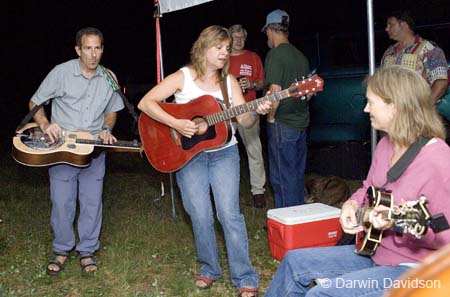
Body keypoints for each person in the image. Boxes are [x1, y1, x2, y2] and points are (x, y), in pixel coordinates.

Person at [265, 65, 450, 297]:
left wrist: (398, 223)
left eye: (371, 102)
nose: (365, 109)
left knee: (321, 294)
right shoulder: (386, 144)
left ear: (396, 105)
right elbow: (367, 189)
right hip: (375, 252)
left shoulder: (437, 159)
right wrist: (352, 204)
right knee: (294, 262)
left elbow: (445, 237)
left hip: (415, 271)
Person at [137, 25, 272, 297]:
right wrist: (176, 122)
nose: (225, 52)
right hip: (188, 156)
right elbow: (146, 103)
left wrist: (256, 110)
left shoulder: (229, 82)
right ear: (204, 48)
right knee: (199, 214)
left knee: (229, 214)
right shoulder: (183, 77)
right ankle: (210, 269)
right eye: (219, 47)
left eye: (226, 48)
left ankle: (244, 276)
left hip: (224, 153)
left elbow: (243, 119)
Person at [29, 27, 124, 275]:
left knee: (92, 202)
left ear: (102, 49)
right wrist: (46, 125)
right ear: (78, 50)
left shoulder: (109, 77)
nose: (93, 54)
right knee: (62, 202)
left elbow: (112, 111)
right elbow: (35, 102)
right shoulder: (61, 73)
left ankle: (87, 251)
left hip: (94, 150)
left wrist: (106, 128)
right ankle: (61, 250)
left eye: (97, 48)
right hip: (62, 149)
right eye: (87, 48)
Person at [262, 9, 311, 208]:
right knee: (297, 176)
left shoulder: (275, 55)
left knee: (282, 178)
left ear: (270, 31)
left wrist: (271, 118)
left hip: (282, 124)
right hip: (301, 123)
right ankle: (299, 219)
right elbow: (308, 94)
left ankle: (287, 223)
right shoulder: (301, 56)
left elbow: (274, 92)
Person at [228, 24, 267, 208]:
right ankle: (226, 192)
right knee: (224, 152)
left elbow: (261, 84)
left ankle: (258, 191)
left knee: (254, 150)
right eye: (234, 37)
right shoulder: (223, 57)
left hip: (249, 111)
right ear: (229, 38)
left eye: (241, 37)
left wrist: (251, 84)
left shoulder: (253, 57)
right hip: (225, 114)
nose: (238, 40)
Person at [381, 10, 448, 103]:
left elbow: (441, 82)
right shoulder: (389, 52)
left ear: (404, 24)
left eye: (390, 24)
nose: (386, 29)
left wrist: (424, 109)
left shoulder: (428, 49)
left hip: (415, 112)